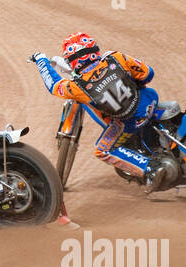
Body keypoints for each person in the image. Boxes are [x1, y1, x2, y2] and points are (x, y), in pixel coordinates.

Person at [31, 35, 178, 193]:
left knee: (102, 150)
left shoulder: (79, 87)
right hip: (149, 100)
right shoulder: (115, 58)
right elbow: (148, 74)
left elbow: (54, 85)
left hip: (128, 122)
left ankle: (150, 169)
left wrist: (41, 60)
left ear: (73, 61)